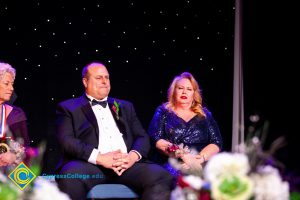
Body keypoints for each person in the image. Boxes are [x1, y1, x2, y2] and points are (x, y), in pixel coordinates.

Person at [55, 62, 174, 200]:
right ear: (85, 81)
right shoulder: (68, 107)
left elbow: (142, 137)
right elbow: (67, 141)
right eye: (99, 78)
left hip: (127, 165)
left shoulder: (124, 106)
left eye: (107, 77)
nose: (105, 81)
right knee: (71, 177)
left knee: (161, 176)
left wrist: (131, 157)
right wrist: (100, 158)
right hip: (89, 166)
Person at [148, 72, 222, 175]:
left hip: (199, 163)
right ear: (174, 91)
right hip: (170, 163)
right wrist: (183, 155)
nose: (184, 92)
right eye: (180, 88)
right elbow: (155, 138)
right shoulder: (163, 111)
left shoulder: (205, 114)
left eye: (189, 89)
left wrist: (198, 160)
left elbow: (216, 142)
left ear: (194, 93)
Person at [0, 62, 29, 168]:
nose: (11, 88)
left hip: (11, 167)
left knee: (29, 182)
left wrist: (13, 155)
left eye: (12, 84)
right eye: (7, 84)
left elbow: (25, 146)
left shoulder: (16, 114)